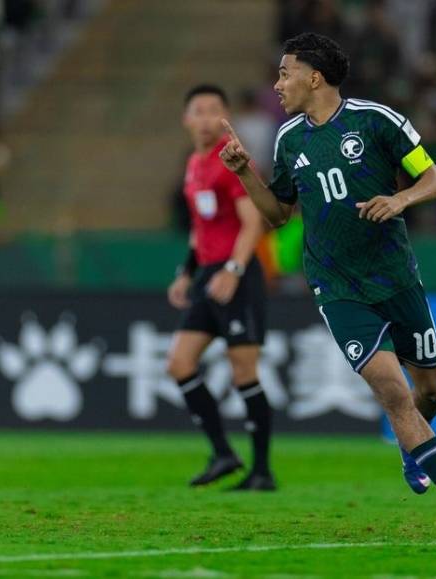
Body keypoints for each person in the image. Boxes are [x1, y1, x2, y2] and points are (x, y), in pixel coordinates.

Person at [219, 32, 436, 531]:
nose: (277, 84)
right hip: (337, 286)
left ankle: (413, 449)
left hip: (395, 277)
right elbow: (277, 215)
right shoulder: (289, 139)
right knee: (392, 391)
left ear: (314, 78)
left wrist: (400, 200)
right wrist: (244, 174)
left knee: (431, 390)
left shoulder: (376, 121)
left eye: (284, 73)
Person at [166, 84, 274, 491]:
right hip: (209, 274)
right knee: (179, 363)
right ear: (186, 119)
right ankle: (223, 453)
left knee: (243, 369)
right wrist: (186, 271)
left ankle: (261, 471)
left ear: (226, 116)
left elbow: (253, 222)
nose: (207, 118)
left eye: (215, 110)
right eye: (199, 110)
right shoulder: (194, 164)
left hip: (237, 275)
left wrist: (234, 269)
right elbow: (201, 226)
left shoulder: (232, 160)